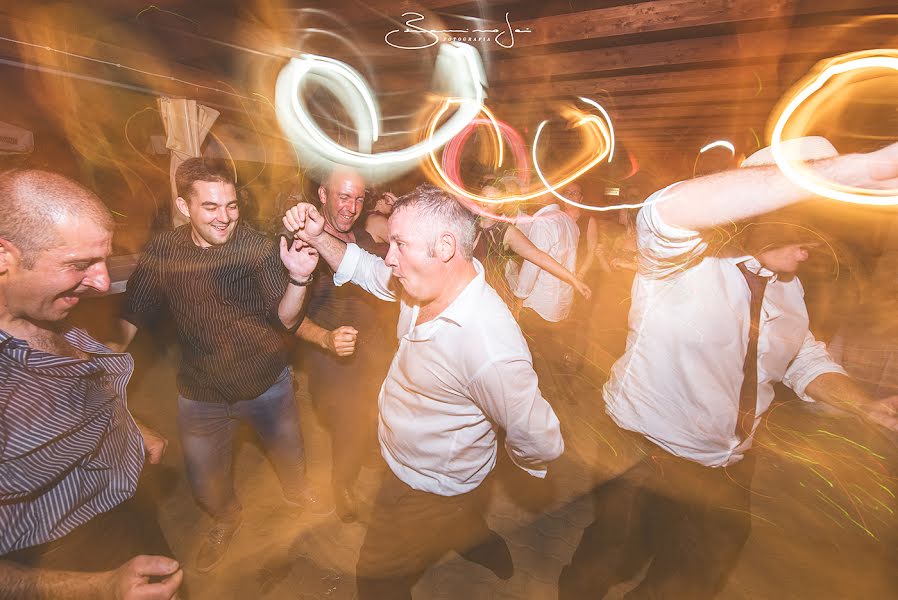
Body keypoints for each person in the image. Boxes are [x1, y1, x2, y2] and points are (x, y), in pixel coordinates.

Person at [559, 137, 898, 599]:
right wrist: (856, 170)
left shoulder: (788, 288)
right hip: (646, 451)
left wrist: (863, 406)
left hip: (730, 463)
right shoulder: (685, 260)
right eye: (806, 231)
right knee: (609, 560)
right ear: (764, 208)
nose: (809, 250)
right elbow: (665, 210)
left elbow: (803, 358)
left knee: (695, 576)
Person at [283, 183, 564, 600]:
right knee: (463, 511)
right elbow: (363, 267)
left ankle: (465, 524)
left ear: (445, 246)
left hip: (425, 481)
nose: (389, 256)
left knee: (376, 578)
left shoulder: (489, 346)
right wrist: (316, 232)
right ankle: (477, 539)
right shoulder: (420, 287)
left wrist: (489, 457)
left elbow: (541, 439)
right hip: (439, 468)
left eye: (399, 244)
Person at [110, 158, 320, 573]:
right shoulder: (165, 249)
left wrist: (298, 279)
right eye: (211, 207)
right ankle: (226, 517)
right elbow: (136, 306)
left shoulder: (257, 249)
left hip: (265, 383)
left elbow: (286, 320)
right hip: (201, 390)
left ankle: (299, 500)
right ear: (184, 206)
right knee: (206, 482)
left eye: (231, 205)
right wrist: (109, 350)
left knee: (290, 458)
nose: (225, 218)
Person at [0, 169, 182, 599]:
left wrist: (128, 426)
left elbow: (83, 379)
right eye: (79, 265)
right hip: (54, 560)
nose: (102, 283)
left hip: (124, 504)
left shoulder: (45, 307)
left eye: (103, 260)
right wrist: (100, 587)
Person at [295, 168, 392, 522]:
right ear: (322, 195)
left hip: (373, 347)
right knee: (347, 424)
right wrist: (326, 338)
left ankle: (362, 452)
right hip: (330, 355)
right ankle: (343, 485)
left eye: (358, 198)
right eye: (343, 196)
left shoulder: (365, 237)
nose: (351, 207)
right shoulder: (303, 245)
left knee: (374, 411)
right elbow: (286, 317)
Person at [474, 182, 591, 311]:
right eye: (483, 196)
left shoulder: (507, 232)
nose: (484, 202)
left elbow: (539, 256)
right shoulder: (466, 221)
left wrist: (574, 280)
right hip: (464, 291)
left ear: (501, 204)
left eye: (492, 199)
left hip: (490, 295)